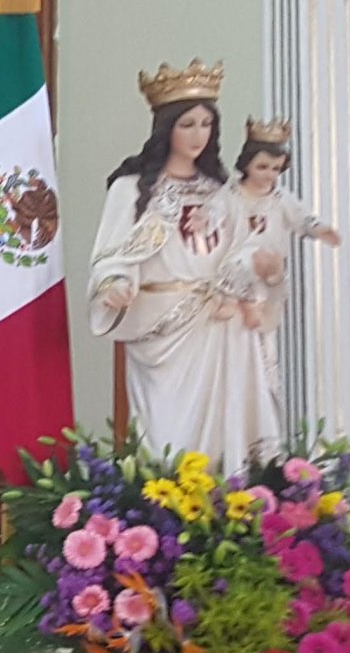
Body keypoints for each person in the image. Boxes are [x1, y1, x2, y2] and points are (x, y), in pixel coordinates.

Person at [86, 61, 281, 473]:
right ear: (166, 128)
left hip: (218, 324)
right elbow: (111, 255)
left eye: (206, 124)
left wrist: (249, 272)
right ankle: (165, 517)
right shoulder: (131, 190)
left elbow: (242, 250)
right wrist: (116, 282)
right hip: (161, 329)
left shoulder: (221, 190)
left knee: (220, 440)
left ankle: (220, 514)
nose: (197, 135)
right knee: (166, 437)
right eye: (187, 124)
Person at [227, 117, 342, 381]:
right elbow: (215, 213)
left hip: (269, 272)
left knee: (266, 349)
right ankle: (241, 303)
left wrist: (321, 230)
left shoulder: (281, 199)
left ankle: (267, 384)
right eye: (263, 167)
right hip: (237, 266)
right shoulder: (232, 194)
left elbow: (302, 218)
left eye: (276, 169)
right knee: (244, 262)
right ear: (247, 165)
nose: (270, 174)